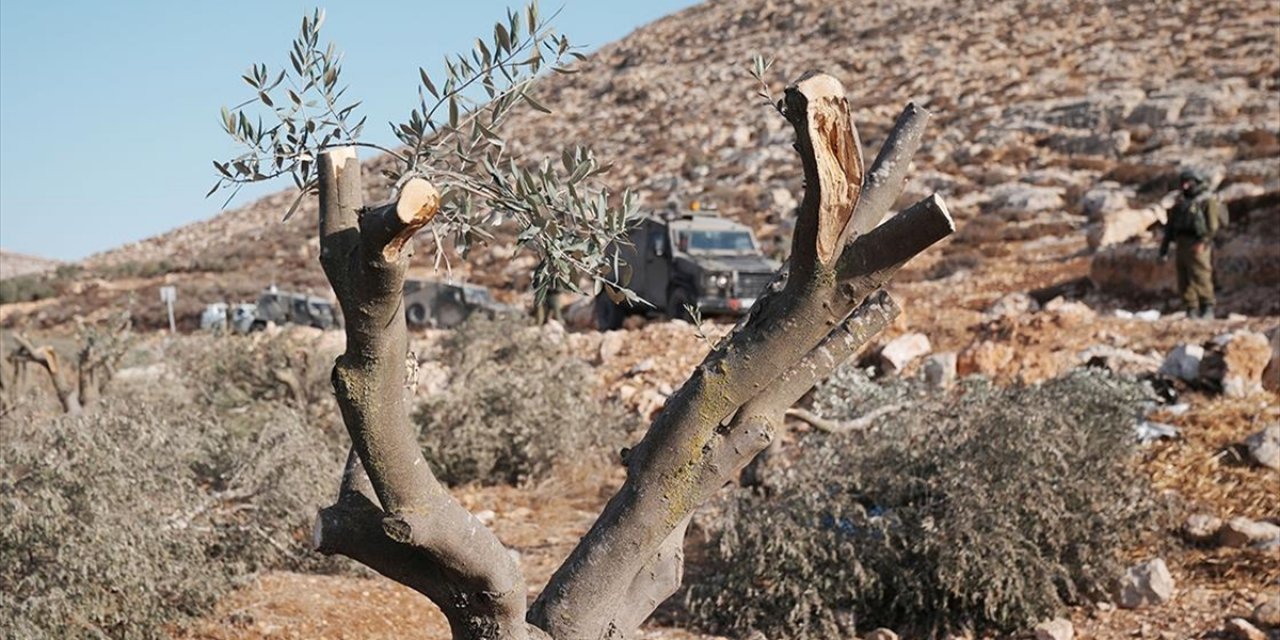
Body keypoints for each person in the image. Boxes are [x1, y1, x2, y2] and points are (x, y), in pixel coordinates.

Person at [1160, 168, 1226, 319]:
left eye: (1188, 183)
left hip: (1198, 244)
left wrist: (1203, 241)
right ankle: (1191, 309)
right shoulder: (1181, 202)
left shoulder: (1206, 200)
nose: (1185, 186)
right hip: (1181, 243)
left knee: (1201, 275)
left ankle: (1207, 307)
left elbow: (1212, 225)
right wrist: (1164, 249)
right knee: (1184, 278)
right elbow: (1170, 227)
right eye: (1183, 183)